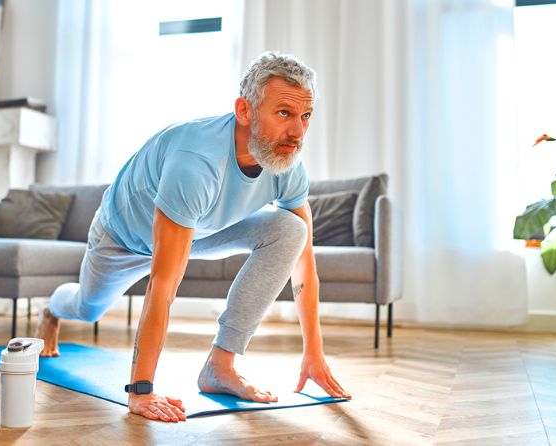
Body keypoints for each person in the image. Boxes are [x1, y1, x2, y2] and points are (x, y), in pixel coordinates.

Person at [36, 51, 350, 423]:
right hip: (122, 239)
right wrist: (140, 390)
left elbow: (305, 267)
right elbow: (163, 284)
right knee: (87, 309)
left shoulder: (288, 167)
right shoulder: (196, 162)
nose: (297, 132)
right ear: (245, 110)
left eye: (305, 116)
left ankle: (221, 364)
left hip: (200, 228)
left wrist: (313, 351)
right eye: (284, 113)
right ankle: (51, 311)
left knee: (291, 230)